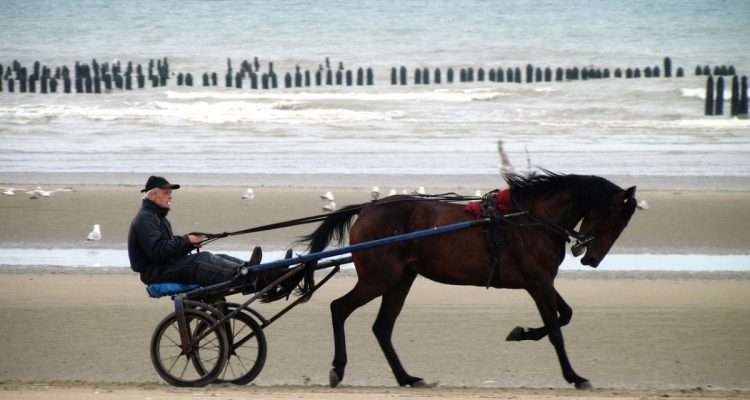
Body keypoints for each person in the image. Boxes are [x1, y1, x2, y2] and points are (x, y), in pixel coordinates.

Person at [128, 175, 276, 290]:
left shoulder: (157, 217)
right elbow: (158, 251)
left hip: (165, 266)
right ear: (152, 196)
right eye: (166, 192)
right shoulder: (145, 219)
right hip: (156, 273)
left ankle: (257, 271)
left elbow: (167, 247)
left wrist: (189, 243)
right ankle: (244, 275)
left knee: (219, 257)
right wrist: (187, 241)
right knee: (203, 259)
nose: (170, 196)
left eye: (171, 192)